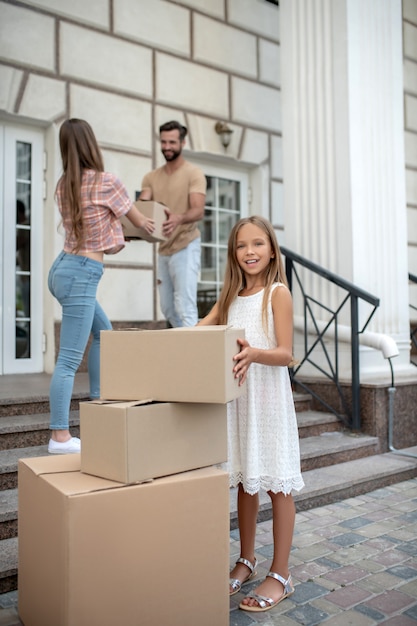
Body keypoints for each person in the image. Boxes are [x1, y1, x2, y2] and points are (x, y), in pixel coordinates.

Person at [198, 215, 304, 612]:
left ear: (272, 249)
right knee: (245, 482)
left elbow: (286, 354)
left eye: (258, 244)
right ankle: (246, 559)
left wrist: (255, 354)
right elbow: (200, 328)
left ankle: (280, 573)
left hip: (269, 402)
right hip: (238, 404)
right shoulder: (229, 297)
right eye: (242, 246)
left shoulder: (277, 293)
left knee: (278, 485)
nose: (250, 252)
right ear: (233, 253)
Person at [48, 118, 155, 454]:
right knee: (67, 361)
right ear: (92, 144)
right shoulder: (108, 182)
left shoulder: (63, 185)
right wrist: (161, 223)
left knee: (104, 333)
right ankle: (59, 436)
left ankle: (99, 397)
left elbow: (93, 229)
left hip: (63, 267)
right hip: (82, 272)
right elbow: (142, 223)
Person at [139, 120, 206, 327]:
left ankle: (193, 357)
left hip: (186, 245)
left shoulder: (193, 173)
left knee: (185, 306)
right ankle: (183, 348)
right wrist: (134, 226)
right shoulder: (151, 177)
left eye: (172, 142)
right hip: (164, 249)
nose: (167, 147)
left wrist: (178, 218)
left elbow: (198, 210)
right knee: (167, 308)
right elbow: (143, 205)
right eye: (164, 142)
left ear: (183, 143)